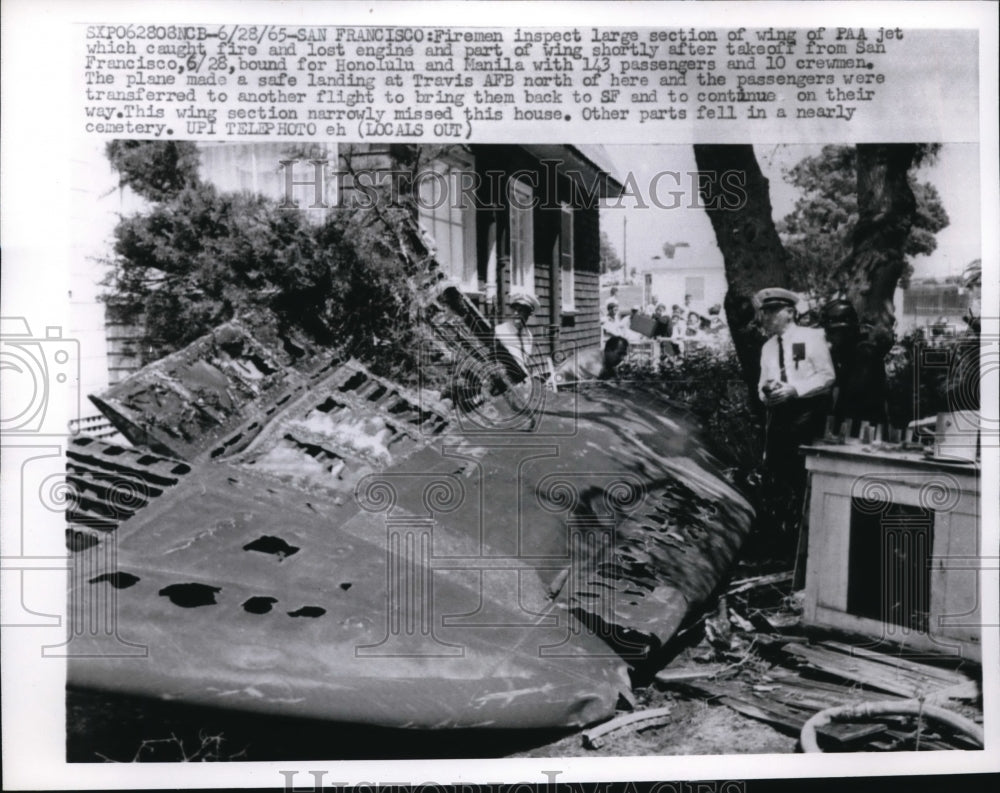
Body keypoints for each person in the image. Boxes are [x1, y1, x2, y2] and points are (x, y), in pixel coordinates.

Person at [756, 287, 836, 488]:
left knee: (803, 473)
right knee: (777, 473)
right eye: (765, 312)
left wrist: (795, 389)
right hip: (778, 417)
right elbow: (762, 382)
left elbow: (827, 376)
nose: (767, 316)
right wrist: (766, 395)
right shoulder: (768, 347)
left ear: (790, 313)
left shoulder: (811, 337)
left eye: (774, 311)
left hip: (807, 415)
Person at [494, 291, 539, 373]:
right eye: (514, 309)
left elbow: (524, 362)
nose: (515, 313)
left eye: (520, 311)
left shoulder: (528, 336)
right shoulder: (499, 331)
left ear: (528, 313)